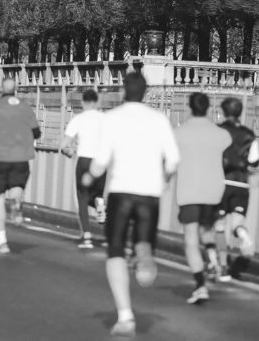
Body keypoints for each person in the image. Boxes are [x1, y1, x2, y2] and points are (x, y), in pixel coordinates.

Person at [84, 72, 180, 337]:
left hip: (121, 192)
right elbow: (172, 159)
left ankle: (125, 316)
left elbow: (101, 160)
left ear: (124, 90)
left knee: (115, 250)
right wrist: (164, 180)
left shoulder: (112, 118)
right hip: (150, 192)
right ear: (146, 92)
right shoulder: (159, 119)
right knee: (143, 240)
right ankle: (145, 254)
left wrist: (89, 176)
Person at [174, 92, 232, 304]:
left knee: (190, 240)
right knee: (207, 230)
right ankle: (213, 258)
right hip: (214, 192)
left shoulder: (179, 133)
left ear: (190, 107)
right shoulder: (221, 135)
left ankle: (200, 286)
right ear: (208, 108)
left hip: (189, 192)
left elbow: (171, 160)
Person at [0, 78, 41, 254]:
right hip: (22, 157)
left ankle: (1, 241)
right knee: (16, 187)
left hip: (2, 157)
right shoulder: (25, 106)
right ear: (16, 89)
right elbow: (37, 132)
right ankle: (16, 202)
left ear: (0, 88)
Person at [214, 97, 259, 281]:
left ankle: (223, 267)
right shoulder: (249, 134)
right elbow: (254, 162)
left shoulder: (218, 131)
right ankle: (243, 235)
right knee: (236, 224)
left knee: (219, 226)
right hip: (242, 183)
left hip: (221, 182)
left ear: (224, 112)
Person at [61, 89, 107, 248]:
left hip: (84, 160)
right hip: (101, 161)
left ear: (83, 103)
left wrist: (70, 152)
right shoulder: (105, 119)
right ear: (97, 102)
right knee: (97, 194)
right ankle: (101, 204)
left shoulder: (78, 119)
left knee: (82, 198)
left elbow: (64, 145)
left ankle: (87, 236)